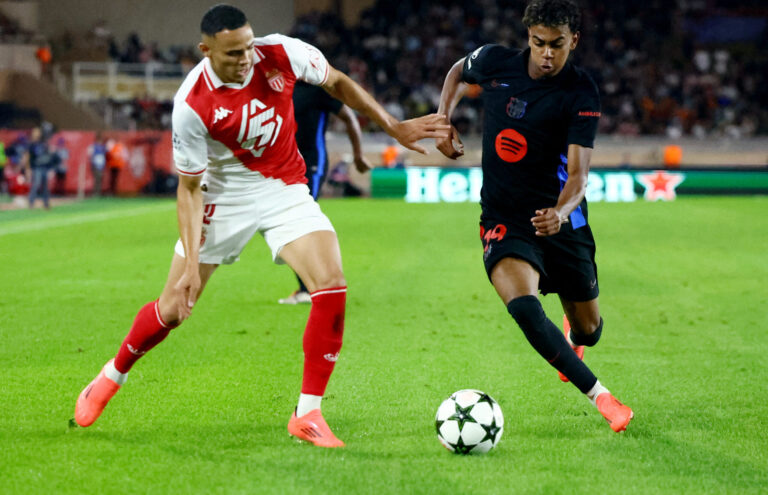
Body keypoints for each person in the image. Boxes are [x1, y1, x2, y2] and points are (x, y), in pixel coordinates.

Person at [74, 4, 449, 448]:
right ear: (206, 50)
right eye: (234, 53)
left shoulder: (281, 53)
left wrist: (392, 126)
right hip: (222, 195)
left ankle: (307, 414)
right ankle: (111, 375)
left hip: (283, 186)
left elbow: (336, 81)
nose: (247, 58)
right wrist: (193, 263)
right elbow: (189, 191)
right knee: (173, 308)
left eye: (249, 46)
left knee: (330, 282)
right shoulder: (191, 104)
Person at [435, 0, 633, 433]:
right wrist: (442, 120)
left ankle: (575, 337)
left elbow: (579, 176)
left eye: (557, 45)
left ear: (573, 41)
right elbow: (456, 71)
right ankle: (604, 399)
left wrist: (561, 213)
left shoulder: (582, 92)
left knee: (589, 331)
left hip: (562, 219)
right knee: (523, 308)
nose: (547, 54)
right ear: (527, 37)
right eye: (539, 43)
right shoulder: (493, 62)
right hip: (505, 216)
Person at [278, 80, 373, 305]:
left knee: (300, 220)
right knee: (289, 221)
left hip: (312, 164)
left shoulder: (317, 90)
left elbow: (349, 117)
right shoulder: (279, 87)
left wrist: (358, 155)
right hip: (284, 165)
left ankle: (309, 289)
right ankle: (308, 287)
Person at [25, 126, 52, 210]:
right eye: (35, 132)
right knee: (36, 184)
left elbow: (47, 155)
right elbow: (28, 157)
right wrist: (28, 168)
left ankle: (46, 203)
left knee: (45, 186)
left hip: (44, 167)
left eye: (38, 132)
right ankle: (31, 202)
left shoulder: (43, 143)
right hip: (36, 168)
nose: (37, 134)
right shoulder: (31, 144)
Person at [88, 132, 108, 197]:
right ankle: (95, 193)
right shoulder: (93, 146)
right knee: (97, 179)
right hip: (95, 165)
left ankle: (98, 193)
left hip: (101, 166)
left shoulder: (103, 147)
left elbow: (106, 154)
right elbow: (90, 156)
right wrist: (93, 164)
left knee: (99, 179)